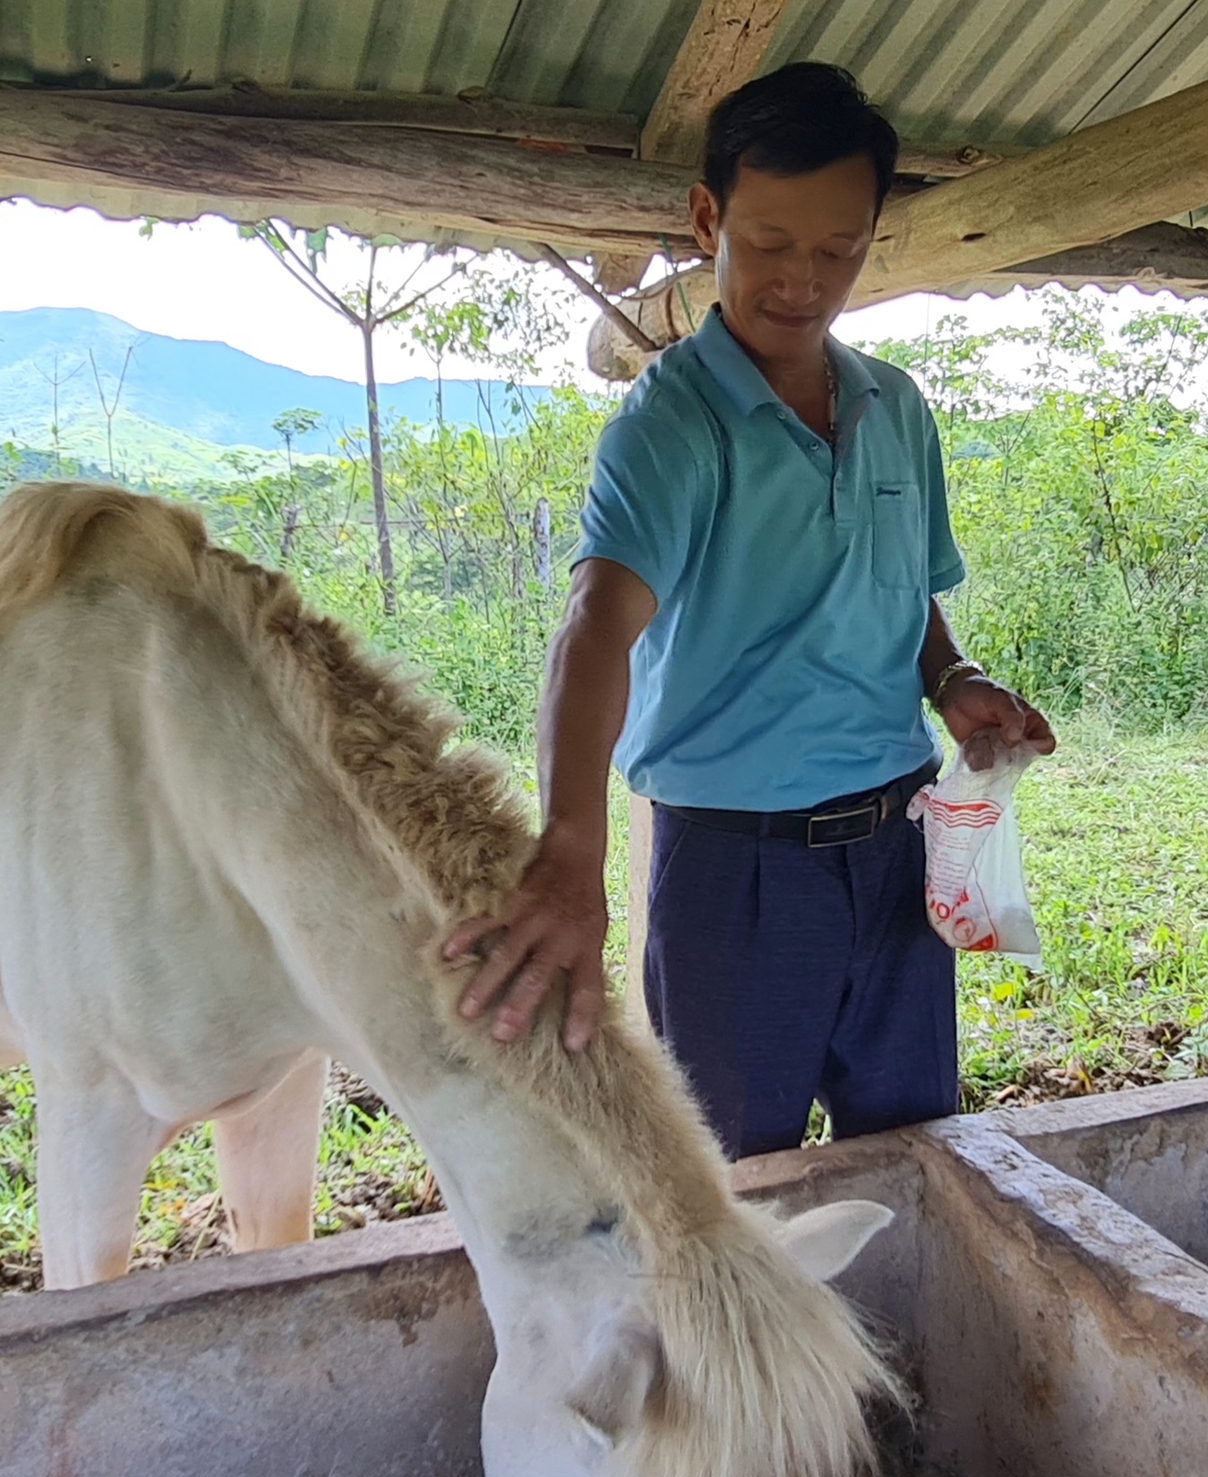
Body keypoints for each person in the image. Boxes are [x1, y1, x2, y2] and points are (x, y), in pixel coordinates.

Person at [445, 62, 1055, 1159]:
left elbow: (906, 593)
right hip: (735, 871)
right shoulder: (671, 426)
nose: (801, 281)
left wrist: (953, 680)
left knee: (916, 1158)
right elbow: (593, 632)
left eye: (837, 248)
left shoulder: (894, 407)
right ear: (704, 217)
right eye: (768, 242)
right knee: (732, 1179)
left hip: (895, 851)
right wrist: (570, 852)